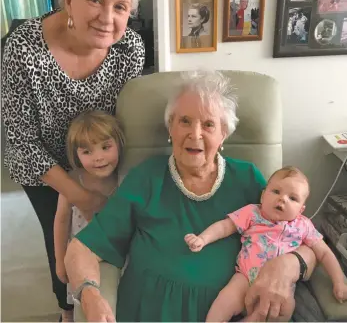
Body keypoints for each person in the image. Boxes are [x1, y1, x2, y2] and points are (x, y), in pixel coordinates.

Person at [65, 70, 317, 322]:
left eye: (208, 124)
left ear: (223, 135)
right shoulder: (146, 177)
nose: (195, 134)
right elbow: (83, 247)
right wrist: (90, 296)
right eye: (185, 121)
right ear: (170, 127)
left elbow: (307, 241)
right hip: (150, 312)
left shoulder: (248, 179)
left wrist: (288, 265)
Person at [2, 0, 146, 318]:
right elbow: (20, 141)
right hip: (43, 164)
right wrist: (79, 195)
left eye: (120, 6)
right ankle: (64, 309)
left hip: (99, 159)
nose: (107, 17)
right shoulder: (23, 48)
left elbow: (124, 122)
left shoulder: (129, 49)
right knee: (60, 241)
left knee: (110, 241)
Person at [185, 166, 347, 322]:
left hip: (280, 288)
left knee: (284, 312)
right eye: (276, 191)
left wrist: (339, 282)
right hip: (245, 278)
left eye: (293, 198)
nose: (282, 199)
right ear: (263, 196)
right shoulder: (252, 213)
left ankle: (253, 319)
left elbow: (325, 253)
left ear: (301, 209)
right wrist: (202, 239)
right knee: (223, 303)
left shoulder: (303, 225)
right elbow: (224, 227)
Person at [54, 110, 125, 321]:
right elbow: (61, 220)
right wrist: (60, 260)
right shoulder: (73, 181)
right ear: (76, 155)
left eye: (105, 147)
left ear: (119, 144)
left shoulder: (125, 179)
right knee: (80, 294)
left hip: (115, 252)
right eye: (87, 152)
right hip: (80, 253)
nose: (98, 158)